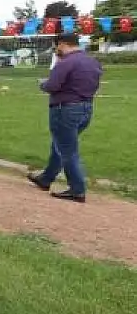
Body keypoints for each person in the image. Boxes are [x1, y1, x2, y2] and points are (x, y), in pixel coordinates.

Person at [27, 33, 103, 203]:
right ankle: (46, 178)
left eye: (56, 47)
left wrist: (42, 84)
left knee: (68, 150)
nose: (56, 50)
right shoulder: (92, 62)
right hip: (86, 107)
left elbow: (52, 86)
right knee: (60, 145)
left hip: (65, 109)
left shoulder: (65, 63)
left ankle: (77, 189)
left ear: (62, 44)